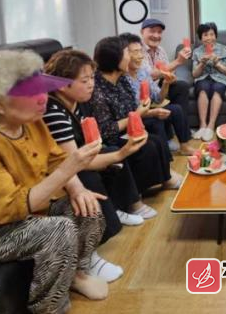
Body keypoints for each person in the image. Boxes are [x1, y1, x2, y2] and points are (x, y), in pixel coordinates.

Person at [0, 50, 109, 313]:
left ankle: (76, 274)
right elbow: (11, 209)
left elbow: (55, 159)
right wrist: (70, 169)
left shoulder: (31, 121)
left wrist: (78, 188)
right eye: (31, 93)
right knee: (58, 231)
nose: (43, 97)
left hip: (25, 211)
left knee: (89, 208)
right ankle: (49, 308)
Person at [43, 49, 155, 254]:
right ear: (62, 84)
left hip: (79, 155)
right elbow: (74, 163)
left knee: (112, 151)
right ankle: (101, 235)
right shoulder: (54, 112)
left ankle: (122, 205)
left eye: (92, 78)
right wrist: (122, 153)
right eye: (84, 80)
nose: (91, 84)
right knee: (102, 165)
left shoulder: (76, 103)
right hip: (61, 169)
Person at [88, 37, 183, 199]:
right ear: (115, 58)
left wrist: (144, 108)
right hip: (110, 137)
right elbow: (107, 131)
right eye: (127, 53)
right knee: (149, 144)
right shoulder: (98, 90)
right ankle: (140, 192)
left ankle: (165, 178)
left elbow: (133, 107)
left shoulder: (121, 79)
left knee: (157, 140)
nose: (131, 58)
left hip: (127, 127)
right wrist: (139, 113)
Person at [122, 32, 196, 155]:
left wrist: (166, 83)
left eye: (141, 51)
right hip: (134, 116)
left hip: (147, 109)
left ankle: (185, 147)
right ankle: (165, 158)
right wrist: (152, 112)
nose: (140, 56)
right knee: (156, 122)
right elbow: (128, 113)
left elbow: (158, 99)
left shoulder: (142, 71)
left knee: (177, 109)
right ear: (123, 54)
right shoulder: (122, 78)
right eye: (135, 52)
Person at [140, 18, 191, 133]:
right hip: (144, 89)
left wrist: (171, 77)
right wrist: (178, 61)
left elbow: (167, 71)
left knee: (182, 86)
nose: (156, 35)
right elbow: (150, 74)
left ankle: (183, 129)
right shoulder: (138, 50)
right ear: (142, 32)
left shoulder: (161, 50)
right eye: (152, 31)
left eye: (159, 32)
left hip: (158, 86)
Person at [191, 22, 226, 141]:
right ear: (201, 38)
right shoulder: (197, 52)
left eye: (212, 34)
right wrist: (202, 63)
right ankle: (202, 125)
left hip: (221, 78)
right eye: (205, 35)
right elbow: (195, 74)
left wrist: (217, 64)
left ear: (216, 36)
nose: (209, 38)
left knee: (217, 88)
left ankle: (211, 125)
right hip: (203, 77)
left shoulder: (225, 49)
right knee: (202, 86)